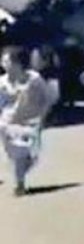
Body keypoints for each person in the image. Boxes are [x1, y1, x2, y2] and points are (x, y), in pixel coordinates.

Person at [0, 46, 54, 196]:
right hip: (7, 125)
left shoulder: (34, 79)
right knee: (15, 155)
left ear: (17, 63)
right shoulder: (2, 83)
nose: (3, 64)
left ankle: (20, 181)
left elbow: (47, 99)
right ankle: (19, 183)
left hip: (30, 124)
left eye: (6, 61)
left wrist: (43, 117)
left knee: (29, 156)